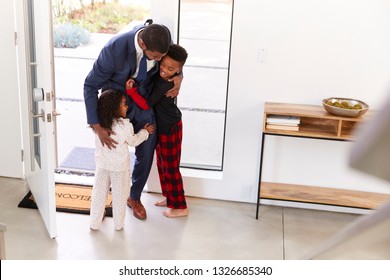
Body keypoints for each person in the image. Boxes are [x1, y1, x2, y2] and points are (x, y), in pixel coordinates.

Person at [84, 20, 182, 220]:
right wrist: (96, 125)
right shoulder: (114, 49)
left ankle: (134, 197)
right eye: (156, 57)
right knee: (110, 153)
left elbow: (175, 61)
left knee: (147, 148)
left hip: (143, 103)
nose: (160, 60)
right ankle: (104, 197)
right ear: (143, 45)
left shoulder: (161, 41)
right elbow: (90, 85)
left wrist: (179, 75)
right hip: (115, 104)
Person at [126, 44, 188, 218]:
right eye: (164, 65)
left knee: (171, 167)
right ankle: (170, 198)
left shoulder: (165, 84)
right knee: (162, 164)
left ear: (179, 70)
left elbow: (147, 104)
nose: (165, 70)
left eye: (171, 69)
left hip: (171, 128)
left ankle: (180, 206)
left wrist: (132, 92)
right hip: (164, 127)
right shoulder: (164, 76)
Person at [90, 89, 155, 230]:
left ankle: (94, 223)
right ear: (115, 108)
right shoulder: (124, 126)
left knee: (99, 194)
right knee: (120, 197)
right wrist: (144, 132)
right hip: (119, 168)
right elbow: (133, 141)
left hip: (102, 166)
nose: (127, 107)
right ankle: (118, 225)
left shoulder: (99, 125)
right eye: (124, 104)